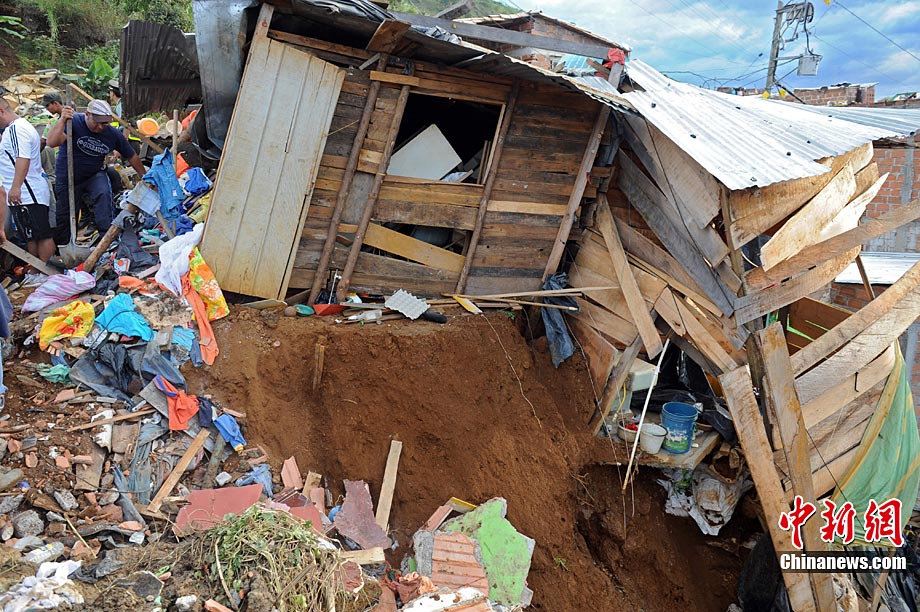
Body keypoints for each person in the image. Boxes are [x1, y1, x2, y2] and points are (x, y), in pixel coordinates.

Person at [44, 99, 146, 245]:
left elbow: (131, 155)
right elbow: (51, 142)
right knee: (65, 213)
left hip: (94, 174)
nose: (100, 127)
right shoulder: (73, 122)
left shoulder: (112, 134)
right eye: (96, 123)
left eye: (104, 123)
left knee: (103, 196)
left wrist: (144, 177)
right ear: (87, 114)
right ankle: (65, 245)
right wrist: (62, 120)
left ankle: (108, 241)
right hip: (68, 175)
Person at [0, 98, 55, 262]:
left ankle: (44, 269)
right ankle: (36, 267)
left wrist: (16, 187)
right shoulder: (18, 127)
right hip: (25, 191)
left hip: (27, 191)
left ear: (1, 112)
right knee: (31, 235)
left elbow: (23, 158)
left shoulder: (16, 129)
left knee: (41, 234)